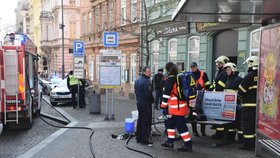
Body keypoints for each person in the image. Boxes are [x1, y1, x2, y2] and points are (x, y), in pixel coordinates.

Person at [161, 62, 192, 152]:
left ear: (167, 70)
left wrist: (163, 106)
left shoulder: (170, 79)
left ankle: (188, 145)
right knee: (170, 124)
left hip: (177, 108)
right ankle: (170, 141)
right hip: (179, 107)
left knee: (182, 127)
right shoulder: (178, 77)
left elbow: (166, 95)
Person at [238, 56, 259, 151]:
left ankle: (247, 145)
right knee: (255, 126)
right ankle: (254, 144)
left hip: (248, 106)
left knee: (248, 126)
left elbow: (241, 91)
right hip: (258, 107)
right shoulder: (262, 75)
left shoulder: (249, 76)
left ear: (251, 64)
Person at [210, 55, 230, 139]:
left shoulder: (224, 73)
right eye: (217, 63)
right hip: (217, 95)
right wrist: (210, 89)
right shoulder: (219, 72)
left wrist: (217, 88)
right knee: (217, 115)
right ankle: (218, 132)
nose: (218, 65)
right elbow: (215, 83)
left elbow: (221, 85)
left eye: (220, 63)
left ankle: (220, 133)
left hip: (221, 95)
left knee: (220, 116)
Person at [189, 62, 211, 137]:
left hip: (202, 96)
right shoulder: (189, 75)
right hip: (192, 97)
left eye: (194, 67)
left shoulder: (203, 74)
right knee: (193, 114)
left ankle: (203, 131)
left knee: (202, 114)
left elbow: (208, 85)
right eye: (191, 67)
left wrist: (206, 90)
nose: (192, 68)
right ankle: (195, 131)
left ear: (196, 66)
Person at [223, 62, 243, 142]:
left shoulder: (239, 79)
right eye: (226, 70)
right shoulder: (228, 80)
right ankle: (231, 138)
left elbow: (241, 92)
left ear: (233, 70)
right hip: (229, 105)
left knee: (239, 123)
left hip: (237, 105)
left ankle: (241, 139)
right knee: (231, 123)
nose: (227, 71)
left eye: (228, 69)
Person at [134, 67, 154, 146]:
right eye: (148, 72)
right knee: (146, 121)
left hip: (139, 103)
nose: (150, 73)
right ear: (144, 72)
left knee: (140, 120)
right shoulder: (146, 82)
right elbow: (148, 94)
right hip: (146, 103)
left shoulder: (137, 81)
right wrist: (153, 100)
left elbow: (136, 91)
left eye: (150, 71)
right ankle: (144, 139)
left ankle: (138, 137)